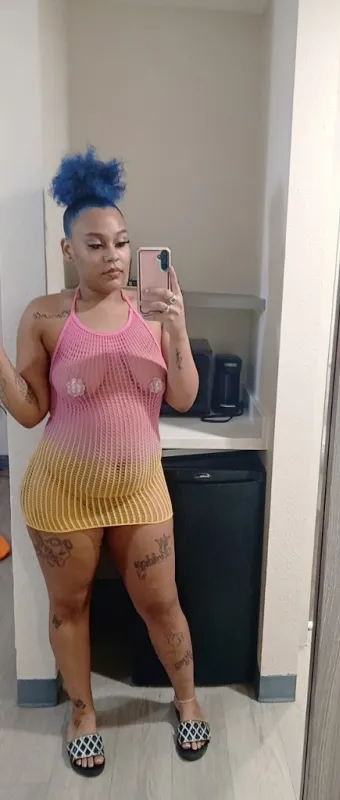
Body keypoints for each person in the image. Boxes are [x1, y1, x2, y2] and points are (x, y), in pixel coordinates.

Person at [0, 147, 211, 777]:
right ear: (69, 251)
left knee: (163, 605)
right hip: (62, 492)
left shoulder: (155, 309)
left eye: (121, 242)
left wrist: (177, 330)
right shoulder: (44, 315)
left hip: (141, 489)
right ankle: (82, 713)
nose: (113, 256)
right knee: (70, 608)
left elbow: (183, 397)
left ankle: (187, 700)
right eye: (95, 245)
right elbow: (30, 411)